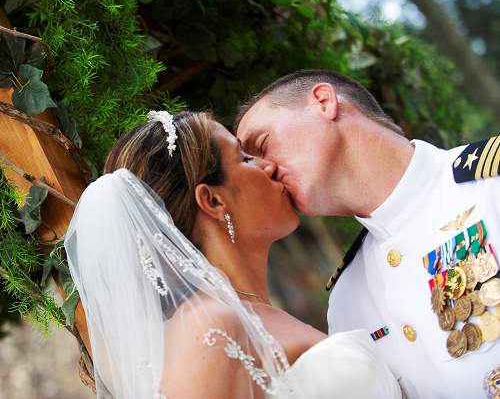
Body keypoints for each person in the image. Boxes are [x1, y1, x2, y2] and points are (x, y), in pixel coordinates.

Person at [65, 110, 402, 399]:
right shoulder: (209, 323)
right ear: (213, 201)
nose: (268, 166)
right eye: (244, 157)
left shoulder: (244, 313)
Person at [233, 69, 500, 399]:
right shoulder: (347, 297)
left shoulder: (491, 184)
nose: (265, 170)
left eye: (262, 144)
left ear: (323, 102)